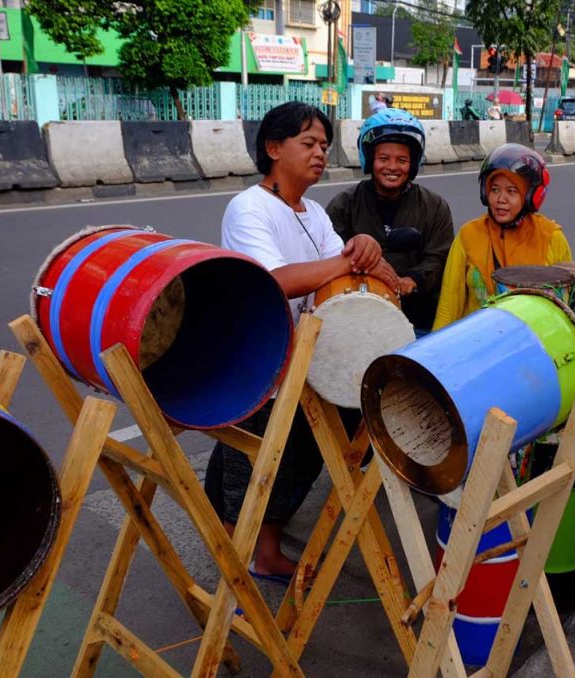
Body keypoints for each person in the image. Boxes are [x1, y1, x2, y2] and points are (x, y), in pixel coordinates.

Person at [204, 102, 398, 582]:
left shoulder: (312, 211)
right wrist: (349, 260)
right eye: (308, 143)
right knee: (248, 471)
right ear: (274, 148)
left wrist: (367, 251)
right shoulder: (249, 208)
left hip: (304, 360)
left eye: (324, 146)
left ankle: (265, 554)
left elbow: (352, 265)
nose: (320, 153)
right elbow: (276, 279)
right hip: (258, 360)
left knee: (294, 461)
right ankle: (235, 578)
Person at [326, 109, 454, 334]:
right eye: (383, 159)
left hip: (418, 320)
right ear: (370, 159)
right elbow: (330, 256)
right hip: (358, 318)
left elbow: (439, 257)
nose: (392, 167)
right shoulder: (343, 205)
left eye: (402, 160)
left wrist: (412, 280)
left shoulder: (435, 207)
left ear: (412, 163)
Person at [433, 143, 572, 329]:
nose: (501, 199)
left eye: (512, 191)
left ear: (529, 196)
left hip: (533, 343)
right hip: (475, 342)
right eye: (495, 189)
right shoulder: (468, 236)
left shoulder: (551, 238)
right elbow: (449, 305)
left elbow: (566, 307)